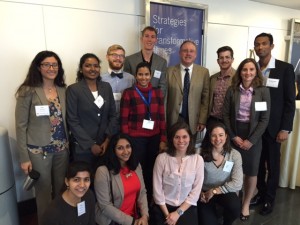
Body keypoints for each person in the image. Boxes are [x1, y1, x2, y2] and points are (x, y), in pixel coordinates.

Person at [15, 50, 69, 224]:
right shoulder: (27, 91)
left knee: (62, 189)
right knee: (43, 192)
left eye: (54, 64)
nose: (51, 68)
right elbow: (21, 126)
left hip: (61, 149)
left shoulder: (62, 89)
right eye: (46, 64)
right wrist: (24, 158)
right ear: (38, 67)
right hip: (39, 152)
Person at [251, 33, 296, 215]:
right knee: (258, 164)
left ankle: (270, 199)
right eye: (257, 44)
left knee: (272, 165)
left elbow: (289, 101)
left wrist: (285, 128)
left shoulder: (284, 68)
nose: (260, 47)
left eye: (264, 44)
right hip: (255, 127)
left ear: (271, 46)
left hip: (274, 128)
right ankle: (261, 194)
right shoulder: (252, 68)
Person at [223, 58, 270, 221]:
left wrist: (251, 140)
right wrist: (233, 136)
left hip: (253, 136)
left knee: (251, 171)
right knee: (231, 169)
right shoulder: (232, 90)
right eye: (244, 69)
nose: (248, 73)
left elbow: (264, 119)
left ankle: (245, 203)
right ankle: (234, 202)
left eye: (251, 69)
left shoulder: (263, 91)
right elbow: (225, 115)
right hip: (234, 133)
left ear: (256, 72)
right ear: (240, 71)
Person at [120, 61, 167, 203]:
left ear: (151, 75)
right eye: (140, 74)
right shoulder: (129, 93)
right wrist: (126, 141)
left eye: (146, 74)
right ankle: (138, 199)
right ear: (136, 76)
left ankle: (151, 199)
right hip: (136, 139)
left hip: (154, 138)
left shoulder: (157, 93)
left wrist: (163, 139)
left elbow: (161, 117)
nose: (143, 77)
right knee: (137, 169)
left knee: (152, 169)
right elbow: (123, 119)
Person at [66, 53, 118, 167]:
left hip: (104, 145)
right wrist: (91, 145)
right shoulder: (73, 90)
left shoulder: (106, 87)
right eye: (88, 66)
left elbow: (113, 115)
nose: (92, 69)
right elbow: (72, 121)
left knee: (102, 180)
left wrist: (107, 140)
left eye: (96, 66)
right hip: (82, 148)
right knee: (84, 182)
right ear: (81, 69)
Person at [152, 122, 204, 225]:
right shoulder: (161, 159)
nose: (181, 141)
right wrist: (169, 216)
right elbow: (157, 191)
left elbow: (195, 192)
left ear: (190, 138)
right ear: (172, 139)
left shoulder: (198, 160)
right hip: (163, 206)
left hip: (186, 206)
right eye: (177, 137)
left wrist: (177, 213)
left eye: (185, 137)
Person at [94, 133, 149, 225]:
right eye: (120, 148)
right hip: (113, 221)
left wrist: (144, 216)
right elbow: (105, 205)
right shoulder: (103, 171)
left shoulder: (136, 166)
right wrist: (132, 222)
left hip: (136, 218)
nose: (126, 151)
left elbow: (142, 192)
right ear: (113, 150)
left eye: (128, 146)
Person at [198, 123, 243, 225]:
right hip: (204, 194)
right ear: (209, 137)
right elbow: (193, 178)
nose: (217, 139)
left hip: (224, 191)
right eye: (214, 135)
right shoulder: (200, 154)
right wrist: (199, 192)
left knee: (235, 207)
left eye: (221, 135)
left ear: (226, 136)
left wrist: (214, 191)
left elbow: (238, 183)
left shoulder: (234, 155)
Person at [166, 40, 210, 136]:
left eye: (191, 51)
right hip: (174, 119)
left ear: (195, 54)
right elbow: (165, 98)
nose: (188, 53)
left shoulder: (204, 72)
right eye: (185, 50)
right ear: (179, 53)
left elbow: (205, 99)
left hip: (194, 120)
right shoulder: (169, 71)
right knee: (173, 148)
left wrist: (202, 120)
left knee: (190, 148)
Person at [41, 161, 95, 225]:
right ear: (67, 182)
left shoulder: (89, 195)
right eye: (76, 180)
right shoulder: (52, 214)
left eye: (86, 179)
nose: (82, 185)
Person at [124, 26, 167, 97]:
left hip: (154, 103)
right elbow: (127, 84)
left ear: (156, 40)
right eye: (146, 36)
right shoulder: (129, 60)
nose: (149, 39)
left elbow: (163, 86)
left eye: (152, 37)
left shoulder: (162, 62)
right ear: (141, 39)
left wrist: (156, 101)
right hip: (135, 101)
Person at [101, 44, 135, 117]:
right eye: (114, 55)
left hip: (126, 118)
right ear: (107, 57)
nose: (118, 58)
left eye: (121, 56)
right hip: (107, 119)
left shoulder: (131, 79)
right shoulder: (100, 79)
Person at [207, 46, 235, 130]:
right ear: (217, 61)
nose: (224, 60)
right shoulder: (212, 78)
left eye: (227, 57)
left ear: (232, 59)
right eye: (221, 58)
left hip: (230, 122)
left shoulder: (238, 78)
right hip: (213, 120)